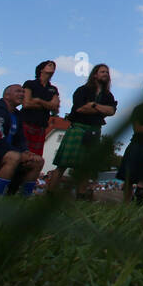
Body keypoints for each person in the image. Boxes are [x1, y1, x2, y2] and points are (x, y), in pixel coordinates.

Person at [47, 64, 117, 194]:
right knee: (62, 164)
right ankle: (50, 193)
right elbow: (80, 109)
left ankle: (81, 195)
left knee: (86, 167)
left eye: (107, 72)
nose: (105, 74)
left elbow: (112, 111)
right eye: (102, 72)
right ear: (95, 74)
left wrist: (94, 105)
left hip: (95, 130)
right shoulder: (83, 90)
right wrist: (102, 110)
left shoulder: (108, 95)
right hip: (78, 128)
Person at [20, 60, 61, 159]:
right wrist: (47, 105)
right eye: (49, 65)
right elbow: (26, 103)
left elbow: (56, 108)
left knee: (36, 158)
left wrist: (38, 100)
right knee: (21, 154)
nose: (53, 67)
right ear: (41, 69)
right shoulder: (30, 84)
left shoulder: (53, 89)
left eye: (54, 66)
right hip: (26, 122)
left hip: (41, 125)